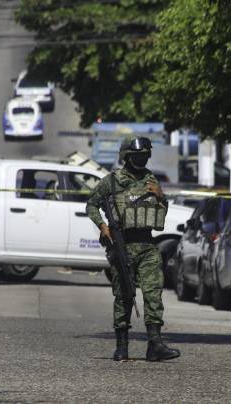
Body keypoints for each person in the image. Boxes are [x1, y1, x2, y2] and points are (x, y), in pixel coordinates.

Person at [86, 136, 180, 362]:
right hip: (123, 245)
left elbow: (161, 208)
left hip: (147, 245)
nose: (142, 159)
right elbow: (91, 205)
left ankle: (155, 345)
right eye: (137, 156)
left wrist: (161, 195)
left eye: (145, 155)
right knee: (124, 296)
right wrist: (103, 227)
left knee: (153, 294)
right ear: (126, 157)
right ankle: (122, 346)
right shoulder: (112, 181)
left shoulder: (151, 179)